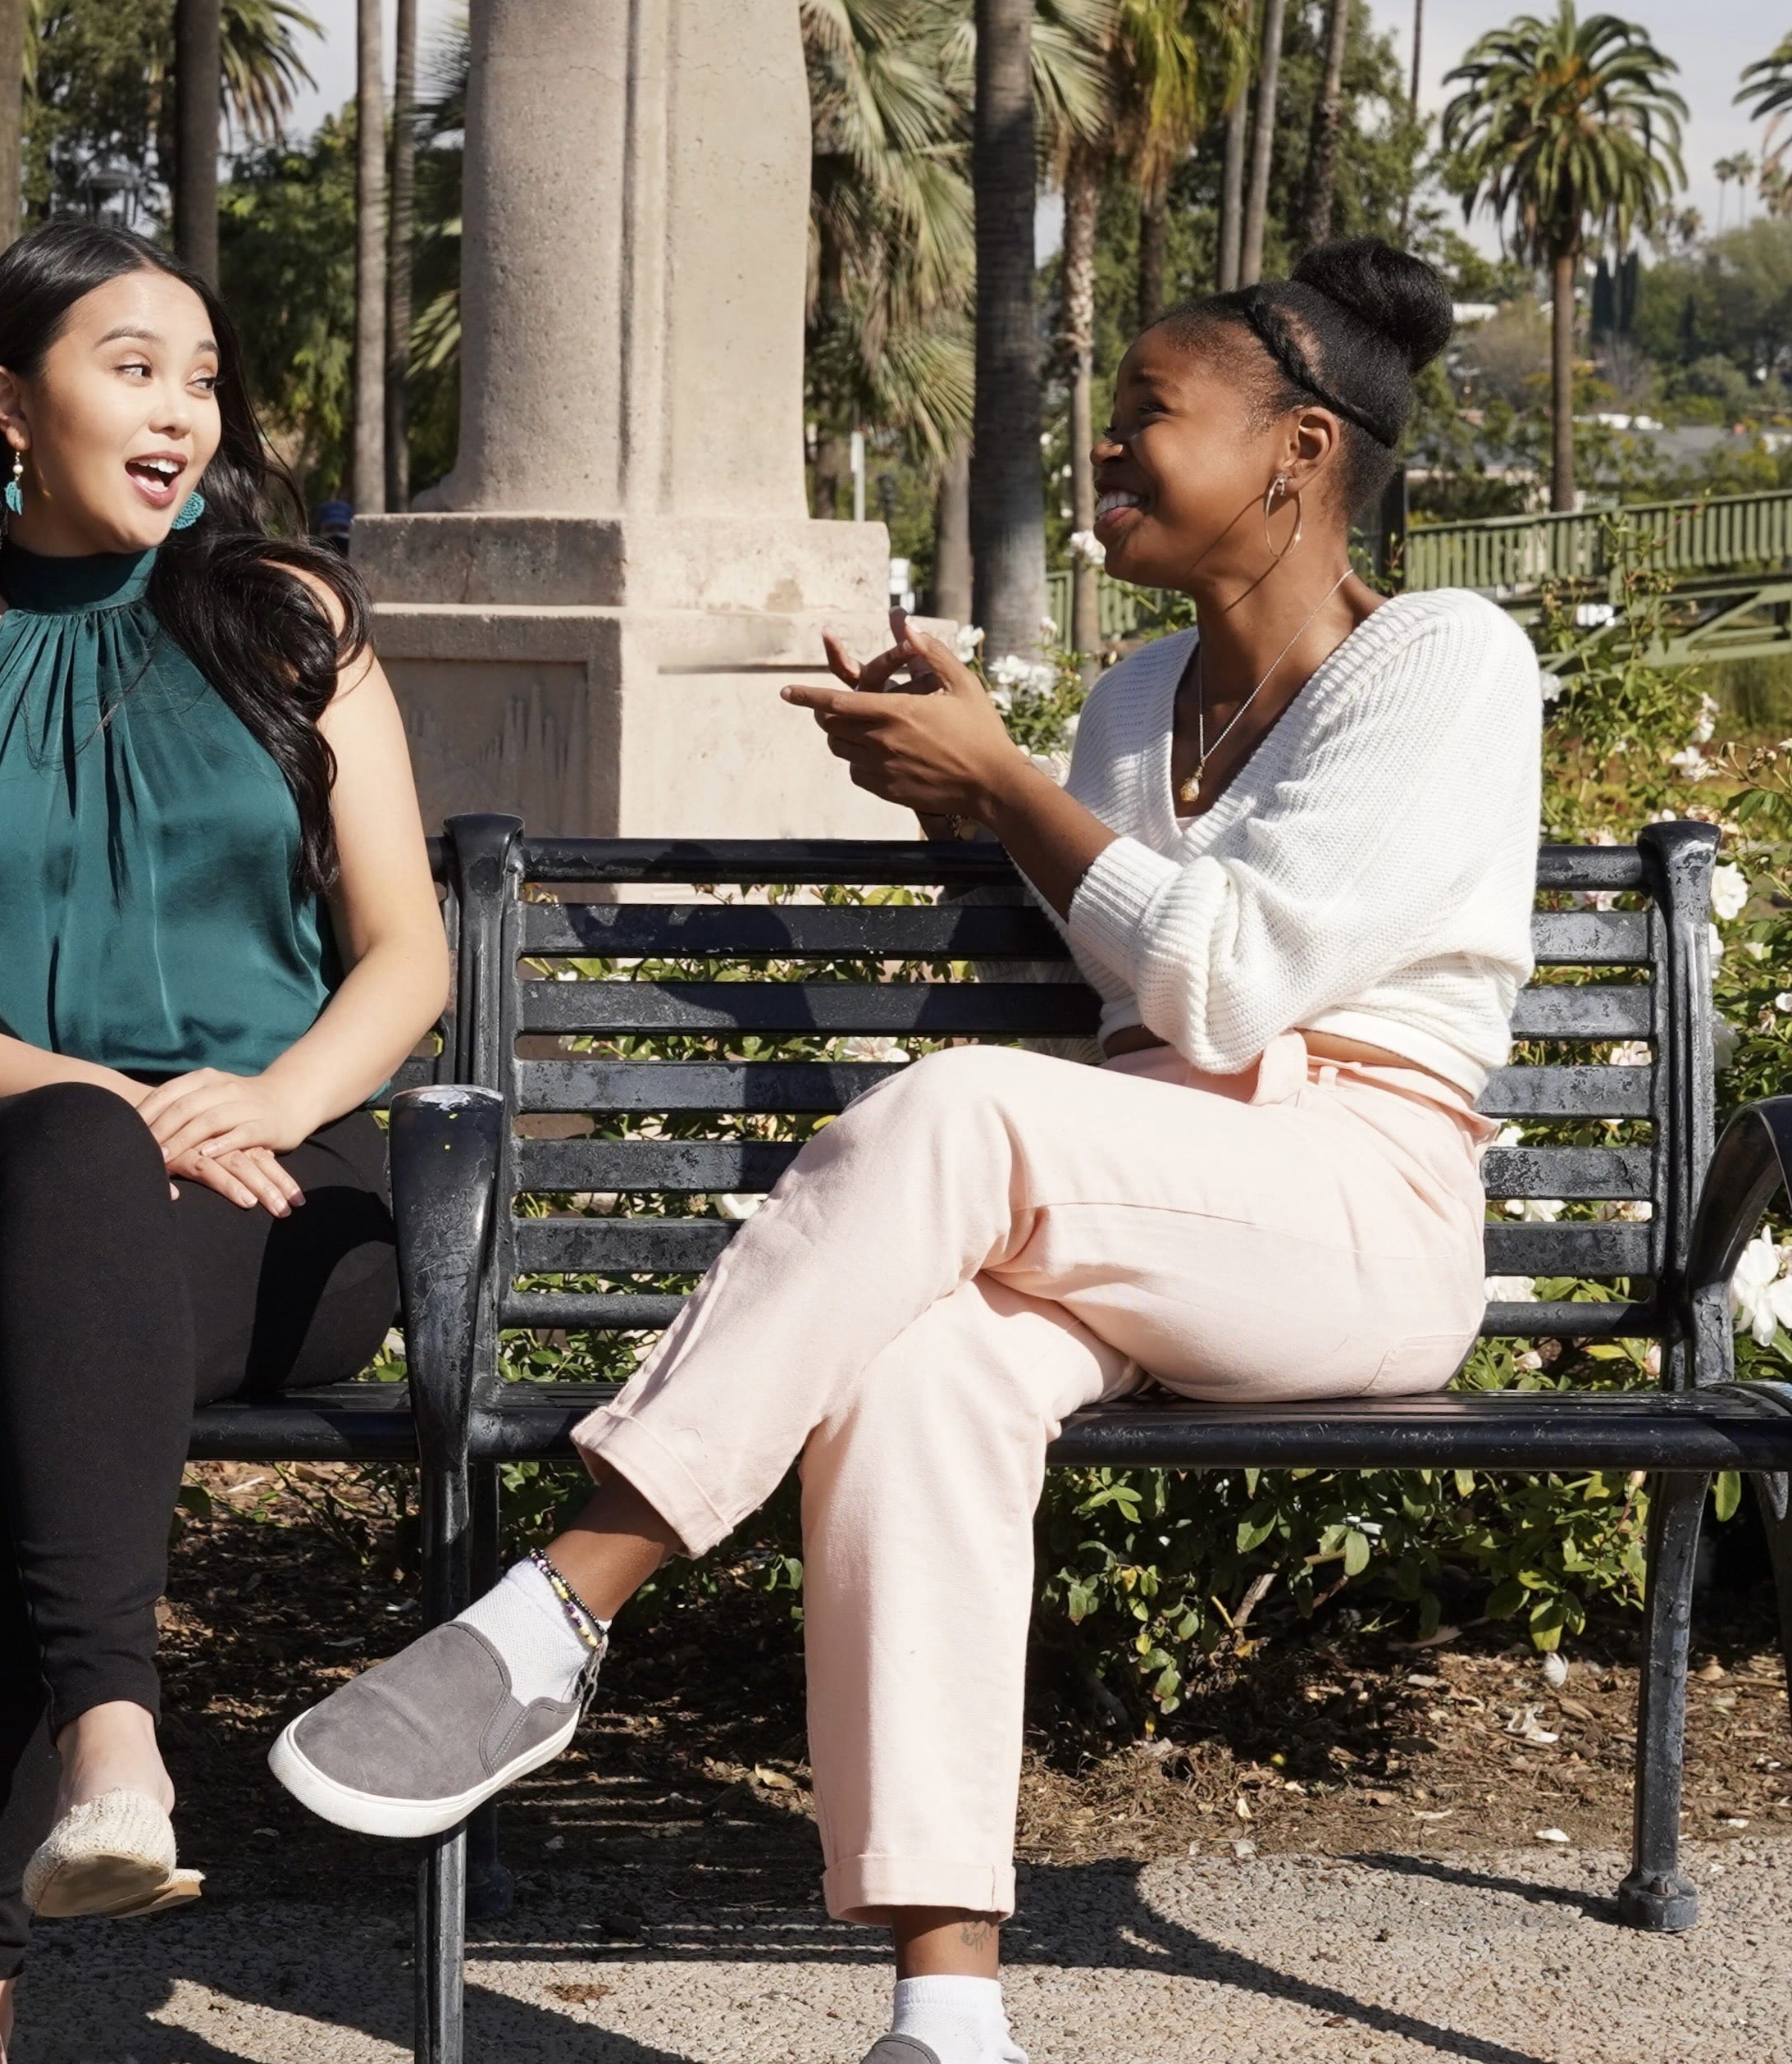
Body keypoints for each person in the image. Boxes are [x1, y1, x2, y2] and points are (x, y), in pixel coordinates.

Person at [271, 239, 1539, 2064]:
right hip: (1144, 1207)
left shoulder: (1444, 657)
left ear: (1298, 452)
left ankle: (559, 1608)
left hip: (1357, 1208)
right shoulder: (1131, 700)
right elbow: (1132, 1003)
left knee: (959, 1103)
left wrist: (1000, 786)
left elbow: (1228, 979)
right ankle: (947, 2017)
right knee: (922, 1368)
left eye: (1146, 428)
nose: (1104, 462)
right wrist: (975, 784)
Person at [0, 220, 447, 2064]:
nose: (180, 409)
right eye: (128, 365)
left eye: (199, 375)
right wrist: (91, 1105)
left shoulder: (292, 623)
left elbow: (405, 949)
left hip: (273, 1195)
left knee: (53, 1363)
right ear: (9, 403)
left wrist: (278, 1097)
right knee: (71, 1204)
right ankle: (106, 1732)